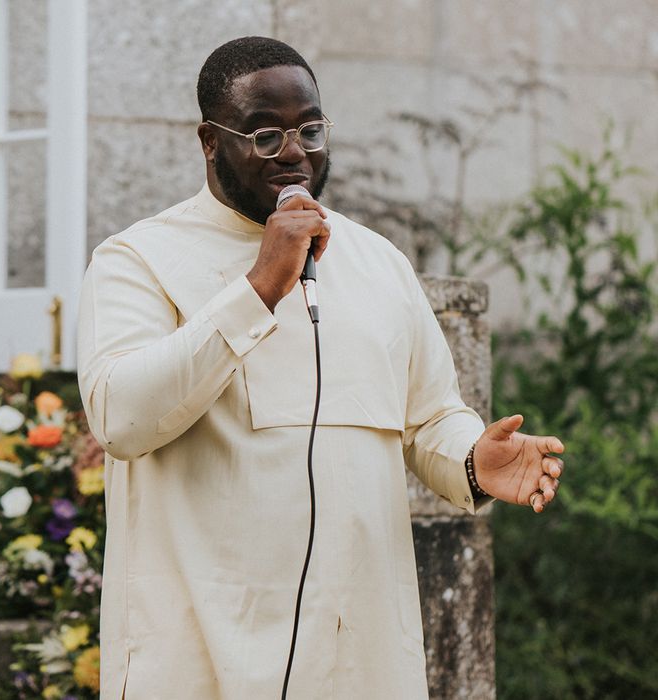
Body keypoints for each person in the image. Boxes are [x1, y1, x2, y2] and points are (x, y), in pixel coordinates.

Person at [77, 36, 565, 699]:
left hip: (359, 657)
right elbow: (120, 417)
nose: (296, 153)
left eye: (309, 128)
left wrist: (473, 459)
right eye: (265, 135)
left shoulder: (378, 262)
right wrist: (259, 288)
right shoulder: (137, 260)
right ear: (209, 141)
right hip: (202, 657)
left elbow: (430, 417)